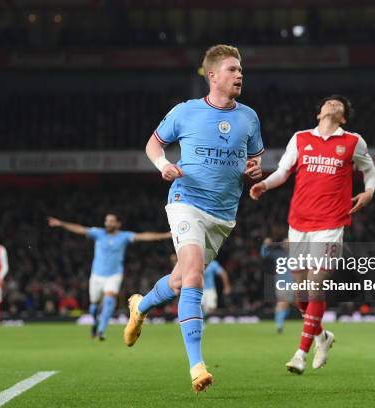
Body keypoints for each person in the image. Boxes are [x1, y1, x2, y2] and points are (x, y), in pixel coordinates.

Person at [123, 44, 264, 393]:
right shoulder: (185, 112)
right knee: (195, 276)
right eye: (233, 69)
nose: (239, 74)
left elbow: (255, 161)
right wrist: (163, 166)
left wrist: (255, 170)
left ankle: (141, 306)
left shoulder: (249, 117)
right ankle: (196, 366)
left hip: (223, 215)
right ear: (212, 75)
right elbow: (153, 145)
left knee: (178, 282)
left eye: (241, 69)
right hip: (185, 200)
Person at [250, 95, 375, 374]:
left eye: (338, 104)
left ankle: (300, 354)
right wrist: (264, 186)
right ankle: (322, 337)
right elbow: (283, 172)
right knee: (300, 294)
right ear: (319, 112)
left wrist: (369, 192)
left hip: (331, 223)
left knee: (317, 284)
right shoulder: (300, 138)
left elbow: (370, 169)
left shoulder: (353, 141)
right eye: (328, 103)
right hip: (299, 222)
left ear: (342, 117)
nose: (332, 104)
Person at [47, 214, 171, 341]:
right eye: (107, 221)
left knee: (109, 301)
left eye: (111, 221)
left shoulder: (124, 236)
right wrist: (61, 224)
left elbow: (143, 236)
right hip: (97, 276)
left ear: (118, 224)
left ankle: (101, 330)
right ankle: (95, 323)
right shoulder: (98, 233)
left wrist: (165, 235)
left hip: (114, 275)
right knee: (94, 306)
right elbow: (80, 229)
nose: (108, 223)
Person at [260, 237, 293, 334]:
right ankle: (279, 325)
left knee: (286, 305)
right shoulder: (277, 255)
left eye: (289, 243)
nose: (287, 245)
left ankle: (280, 320)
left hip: (294, 284)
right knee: (282, 302)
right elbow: (264, 254)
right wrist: (265, 245)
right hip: (281, 283)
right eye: (286, 243)